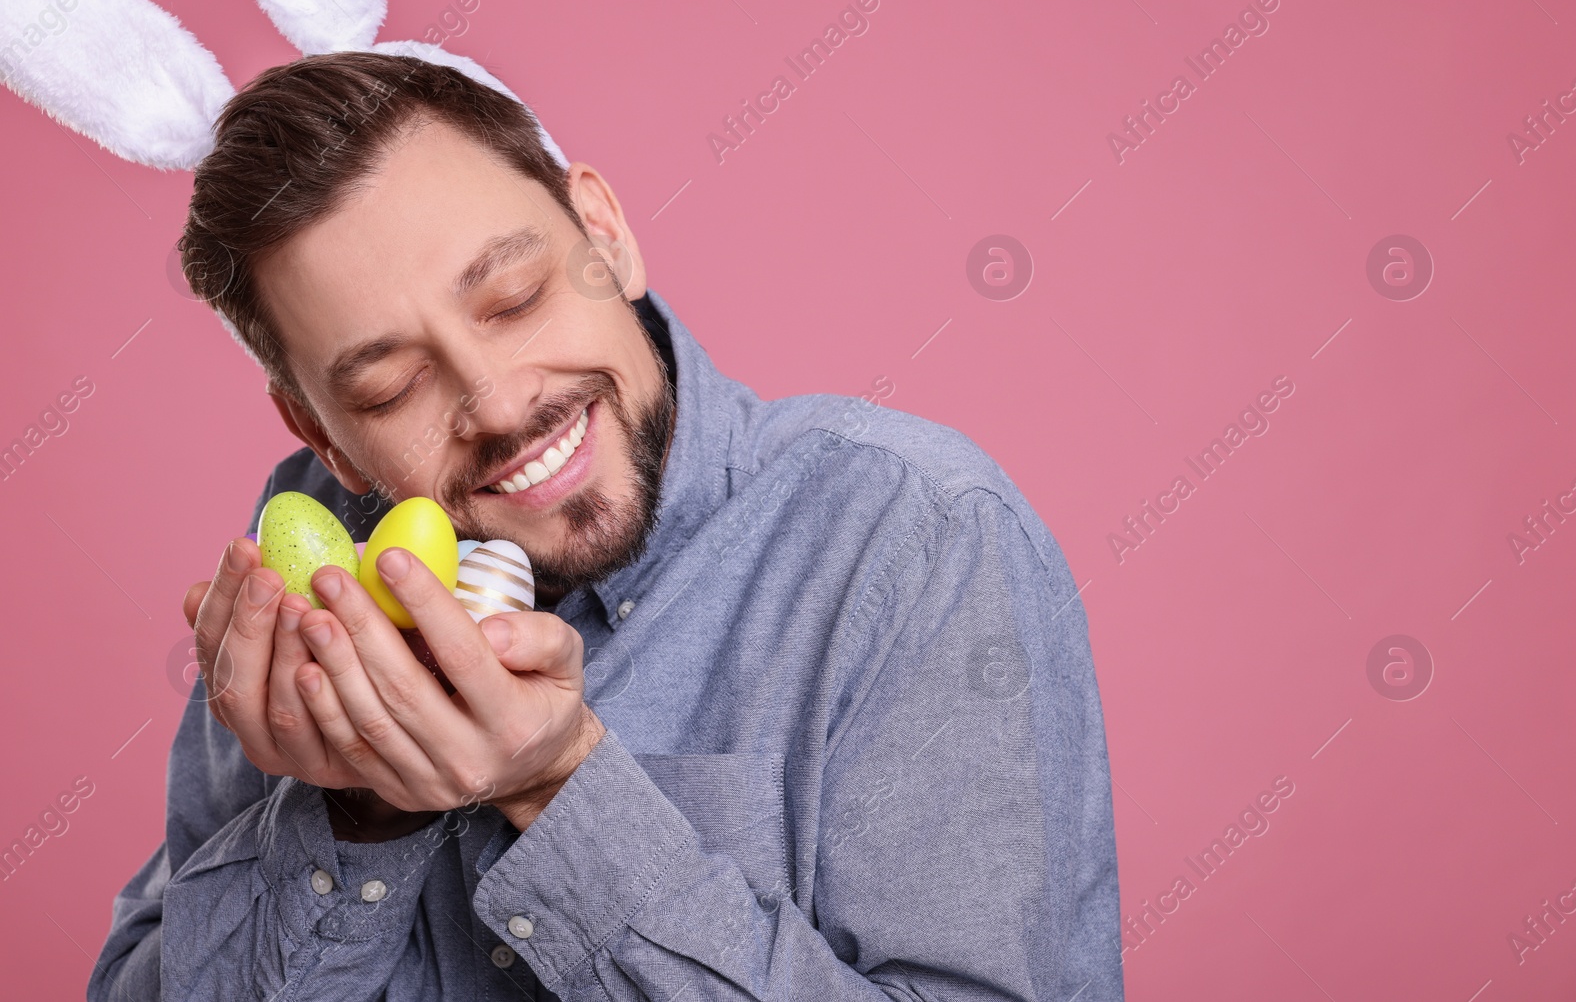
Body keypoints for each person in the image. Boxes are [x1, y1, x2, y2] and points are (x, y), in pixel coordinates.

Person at [88, 51, 1125, 1001]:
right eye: (392, 385)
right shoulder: (309, 591)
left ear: (605, 234)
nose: (492, 401)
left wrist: (557, 787)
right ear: (324, 434)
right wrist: (358, 811)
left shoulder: (910, 535)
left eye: (514, 296)